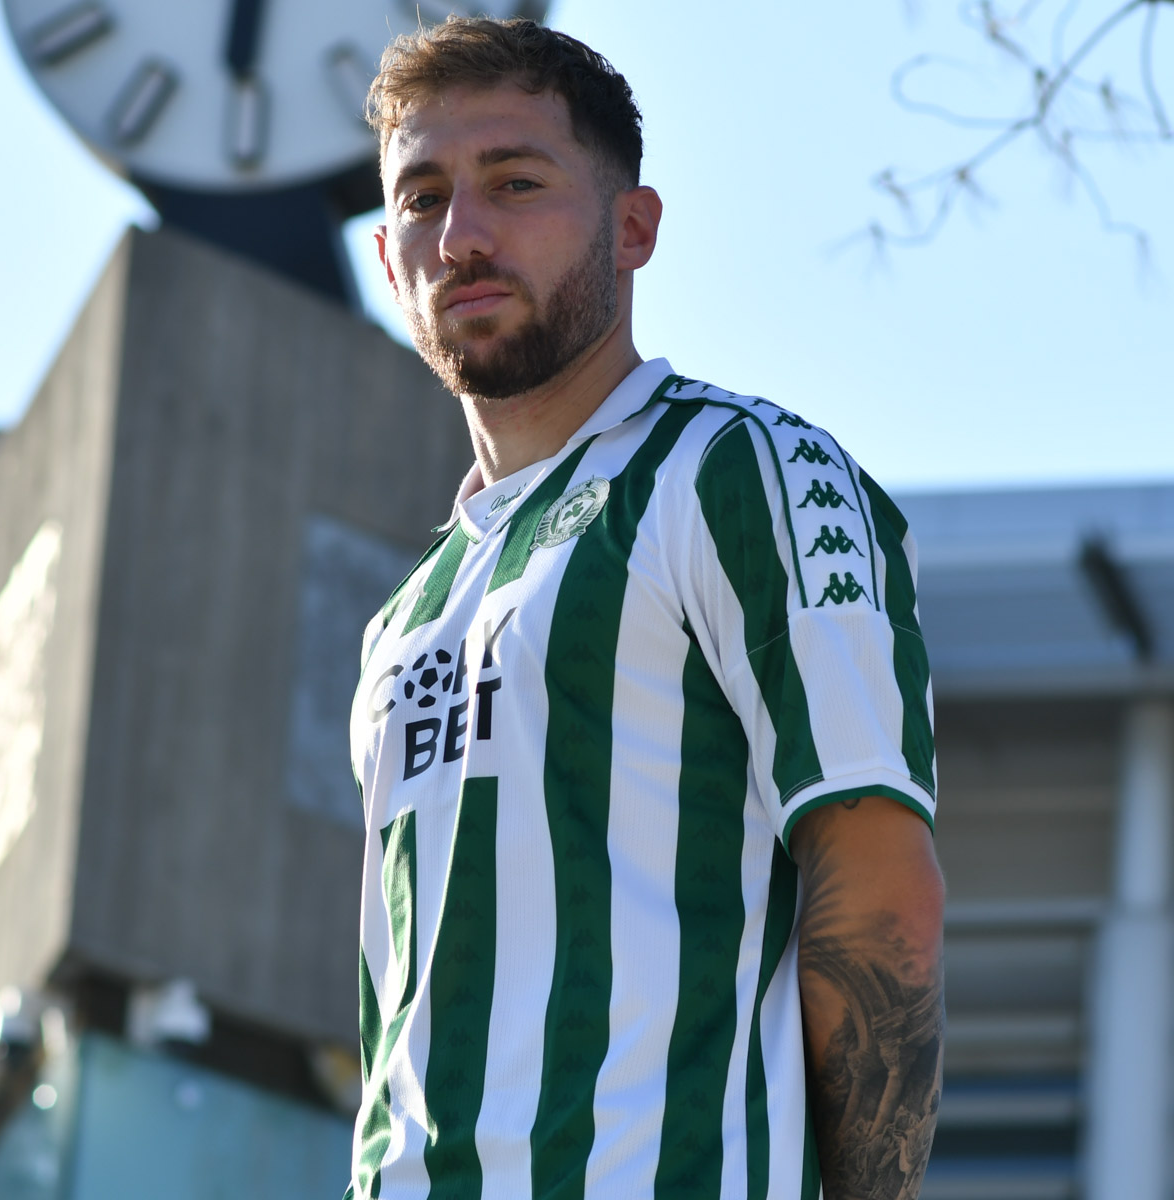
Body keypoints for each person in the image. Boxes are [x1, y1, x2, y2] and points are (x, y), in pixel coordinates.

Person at [345, 17, 944, 1200]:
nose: (462, 236)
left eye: (516, 183)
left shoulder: (743, 474)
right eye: (423, 199)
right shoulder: (403, 622)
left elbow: (880, 887)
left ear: (634, 229)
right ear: (386, 258)